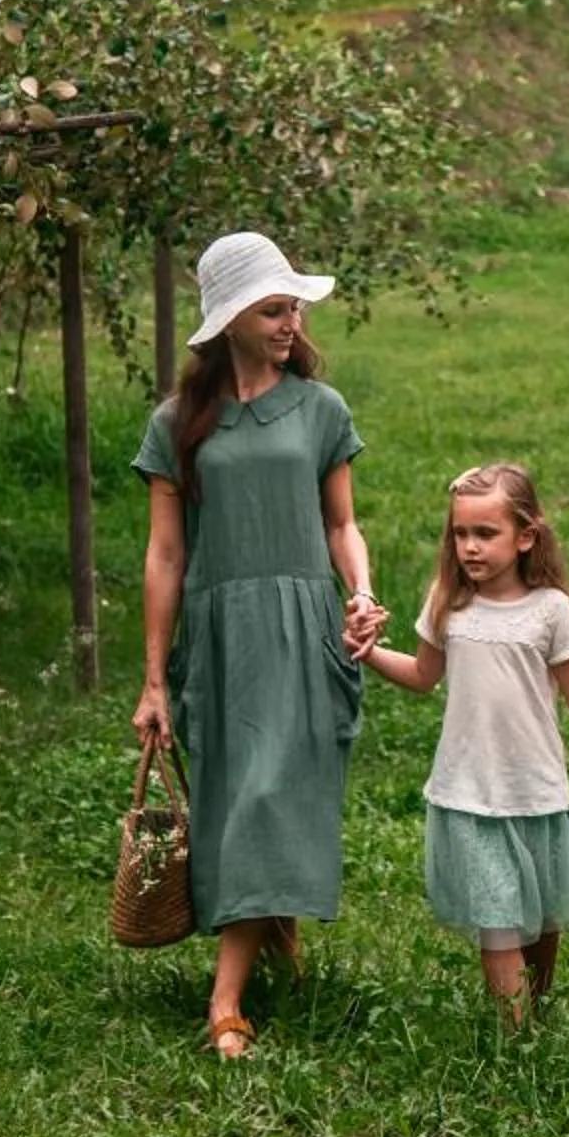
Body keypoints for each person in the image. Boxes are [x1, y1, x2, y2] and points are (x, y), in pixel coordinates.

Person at [132, 231, 379, 1063]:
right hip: (221, 634)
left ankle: (226, 999)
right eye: (275, 308)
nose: (291, 321)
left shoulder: (321, 410)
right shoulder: (178, 425)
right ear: (230, 318)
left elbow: (341, 524)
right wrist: (154, 678)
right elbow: (166, 555)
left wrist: (363, 595)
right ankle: (270, 930)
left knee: (279, 792)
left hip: (303, 624)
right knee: (239, 798)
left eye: (294, 307)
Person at [358, 464, 569, 1026]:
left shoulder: (549, 608)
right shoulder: (448, 603)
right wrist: (368, 653)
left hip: (535, 785)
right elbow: (421, 674)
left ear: (526, 536)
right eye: (461, 534)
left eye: (486, 534)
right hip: (470, 788)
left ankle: (541, 998)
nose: (470, 547)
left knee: (544, 914)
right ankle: (519, 1037)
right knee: (498, 915)